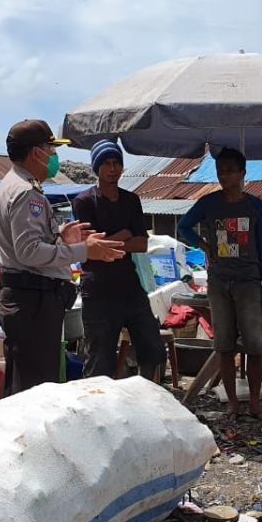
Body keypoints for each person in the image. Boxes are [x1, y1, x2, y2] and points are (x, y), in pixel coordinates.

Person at [0, 120, 124, 395]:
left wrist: (61, 235)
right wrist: (86, 250)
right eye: (51, 151)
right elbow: (29, 252)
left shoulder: (13, 185)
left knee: (22, 385)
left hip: (25, 297)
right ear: (36, 153)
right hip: (33, 300)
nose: (55, 158)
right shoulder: (27, 193)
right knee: (35, 390)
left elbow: (27, 244)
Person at [177, 148, 262, 419]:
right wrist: (203, 245)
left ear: (243, 172)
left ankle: (254, 404)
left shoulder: (256, 206)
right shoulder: (208, 204)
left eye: (230, 170)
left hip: (249, 282)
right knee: (223, 346)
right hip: (219, 282)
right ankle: (233, 403)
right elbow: (183, 227)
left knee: (255, 347)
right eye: (220, 170)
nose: (224, 175)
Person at [73, 140, 166, 382]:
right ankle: (96, 411)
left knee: (153, 349)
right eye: (107, 163)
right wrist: (125, 235)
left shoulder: (131, 200)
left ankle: (147, 396)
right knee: (99, 360)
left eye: (117, 163)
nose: (113, 168)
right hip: (98, 288)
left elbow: (142, 244)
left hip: (129, 286)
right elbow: (92, 248)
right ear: (97, 168)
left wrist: (113, 242)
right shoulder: (85, 201)